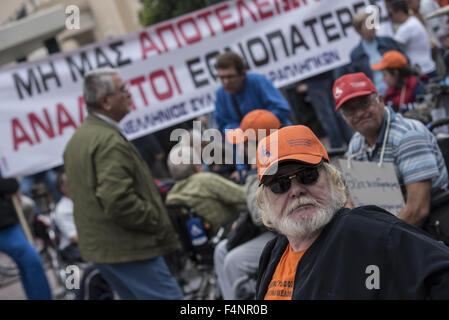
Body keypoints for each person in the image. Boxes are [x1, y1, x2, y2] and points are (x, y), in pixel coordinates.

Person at [255, 125, 449, 299]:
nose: (296, 190)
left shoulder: (367, 232)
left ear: (332, 179)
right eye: (280, 185)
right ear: (265, 200)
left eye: (308, 176)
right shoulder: (273, 251)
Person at [63, 67, 183, 300]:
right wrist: (155, 219)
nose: (129, 94)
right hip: (130, 248)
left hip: (106, 250)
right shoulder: (107, 141)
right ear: (106, 101)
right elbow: (118, 200)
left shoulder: (80, 138)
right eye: (123, 90)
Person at [333, 72, 448, 227]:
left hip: (427, 227)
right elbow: (353, 201)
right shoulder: (356, 143)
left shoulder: (408, 136)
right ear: (344, 117)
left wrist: (381, 244)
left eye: (364, 104)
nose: (359, 113)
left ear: (380, 100)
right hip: (389, 225)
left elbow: (417, 210)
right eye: (349, 110)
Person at [214, 109, 279, 299]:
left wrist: (251, 174)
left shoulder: (275, 162)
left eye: (244, 142)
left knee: (234, 261)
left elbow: (262, 217)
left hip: (285, 232)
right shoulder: (260, 161)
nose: (240, 147)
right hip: (269, 230)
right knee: (221, 250)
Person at [213, 51, 292, 182]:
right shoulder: (221, 94)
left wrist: (256, 125)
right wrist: (241, 133)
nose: (226, 82)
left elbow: (282, 109)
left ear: (243, 74)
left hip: (278, 140)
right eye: (222, 78)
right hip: (246, 150)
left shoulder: (257, 81)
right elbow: (223, 126)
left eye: (230, 77)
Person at [165, 144, 247, 236]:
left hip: (209, 242)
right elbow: (244, 195)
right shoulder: (204, 180)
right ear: (196, 167)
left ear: (171, 173)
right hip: (233, 232)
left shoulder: (171, 198)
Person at [0, 176, 52, 300]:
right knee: (31, 262)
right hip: (5, 227)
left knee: (27, 264)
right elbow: (9, 186)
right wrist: (12, 184)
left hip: (8, 223)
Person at [349, 10, 407, 96]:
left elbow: (405, 61)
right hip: (377, 97)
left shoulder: (388, 42)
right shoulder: (356, 54)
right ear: (358, 30)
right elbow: (358, 82)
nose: (373, 27)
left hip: (400, 91)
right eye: (368, 25)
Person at [387, 0, 438, 79]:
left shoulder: (406, 27)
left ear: (400, 12)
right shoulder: (413, 20)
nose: (390, 18)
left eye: (391, 14)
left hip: (422, 71)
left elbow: (392, 48)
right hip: (428, 67)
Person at [53, 172, 81, 264]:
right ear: (62, 189)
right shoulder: (61, 210)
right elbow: (74, 237)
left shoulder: (82, 199)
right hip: (72, 247)